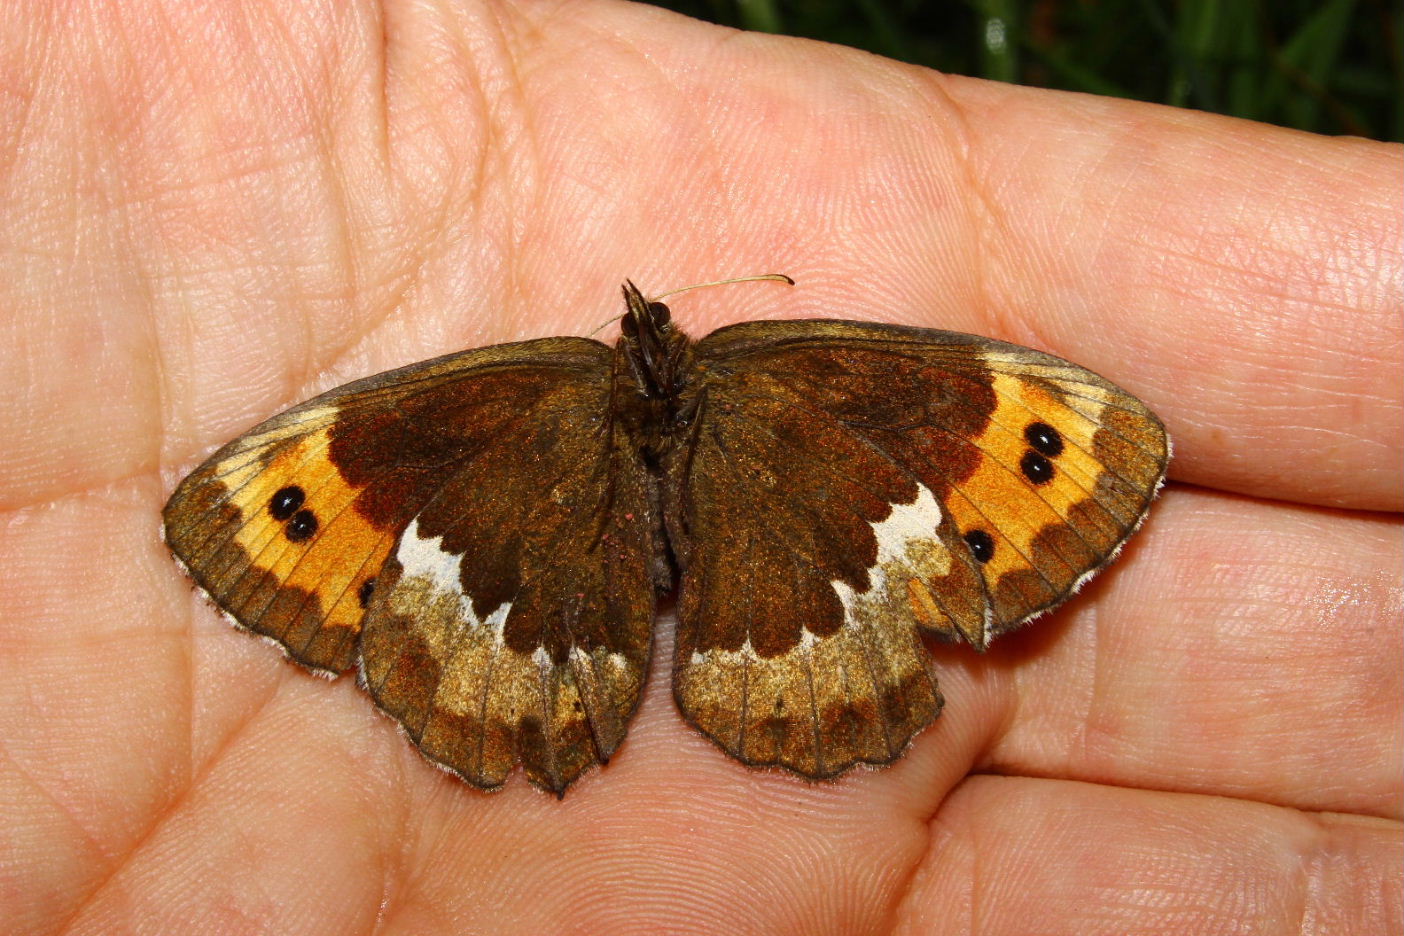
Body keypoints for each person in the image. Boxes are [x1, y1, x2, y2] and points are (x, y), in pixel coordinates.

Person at [3, 2, 1399, 933]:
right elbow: (279, 507)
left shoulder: (787, 380)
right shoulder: (494, 406)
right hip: (579, 578)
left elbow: (1055, 447)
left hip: (761, 565)